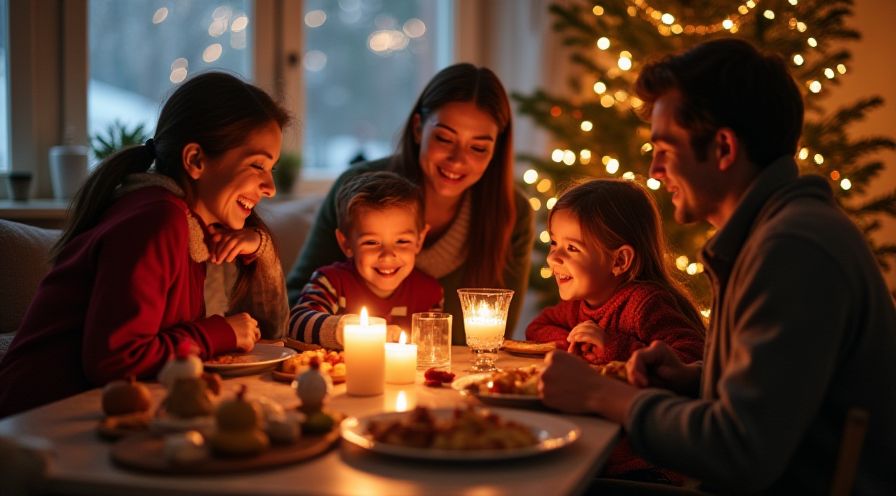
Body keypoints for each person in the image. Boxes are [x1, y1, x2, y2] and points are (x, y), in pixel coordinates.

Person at [539, 38, 896, 494]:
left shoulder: (793, 249)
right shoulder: (772, 234)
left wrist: (598, 393)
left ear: (724, 148)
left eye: (665, 149)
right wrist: (695, 377)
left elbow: (740, 450)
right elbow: (784, 395)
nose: (654, 171)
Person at [0, 72, 291, 417]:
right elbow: (116, 360)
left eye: (271, 167)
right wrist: (219, 332)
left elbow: (272, 331)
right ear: (196, 160)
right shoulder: (156, 220)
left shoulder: (189, 228)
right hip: (36, 422)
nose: (270, 187)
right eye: (257, 165)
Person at [285, 63, 534, 344]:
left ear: (495, 150)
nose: (457, 160)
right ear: (418, 128)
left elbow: (496, 338)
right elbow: (293, 305)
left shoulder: (513, 213)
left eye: (478, 148)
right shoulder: (358, 191)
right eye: (444, 138)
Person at [527, 178, 704, 484]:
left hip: (647, 464)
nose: (554, 257)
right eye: (554, 242)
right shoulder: (580, 304)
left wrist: (613, 347)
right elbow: (537, 328)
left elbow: (692, 360)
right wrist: (573, 346)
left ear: (619, 260)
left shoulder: (645, 302)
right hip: (600, 449)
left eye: (572, 248)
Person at [288, 171, 443, 348]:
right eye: (371, 242)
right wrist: (347, 332)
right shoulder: (330, 283)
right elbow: (296, 323)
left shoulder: (429, 292)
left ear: (419, 240)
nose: (387, 254)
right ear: (346, 243)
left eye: (402, 241)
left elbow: (433, 351)